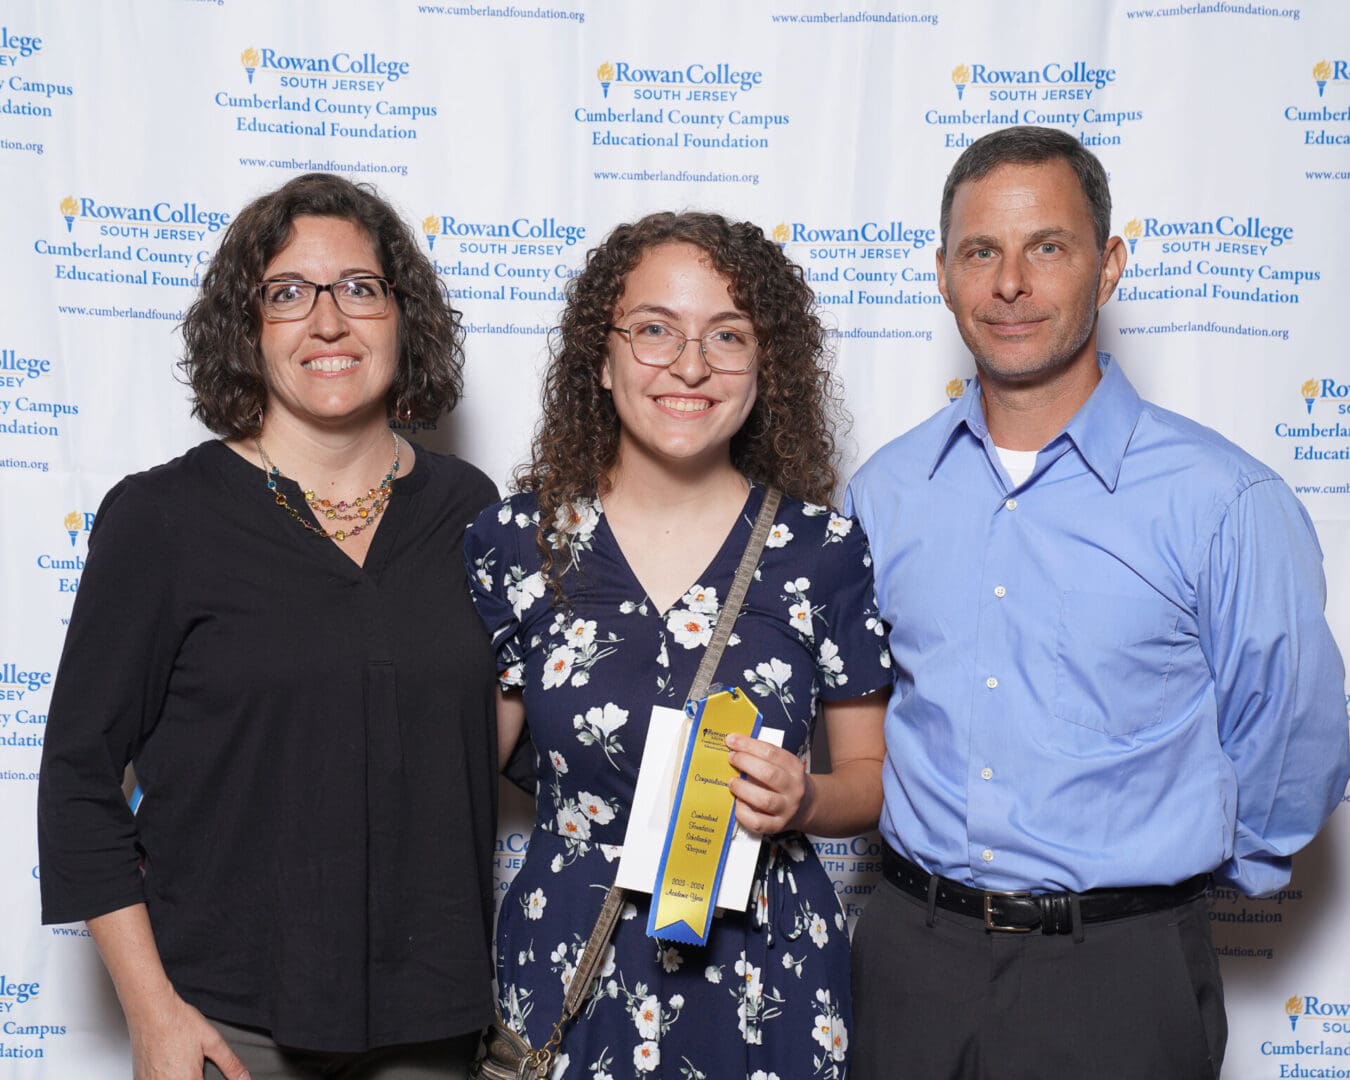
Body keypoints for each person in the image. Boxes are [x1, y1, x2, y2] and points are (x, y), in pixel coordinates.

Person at [845, 124, 1350, 1079]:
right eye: (980, 251)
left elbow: (1295, 734)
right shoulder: (886, 492)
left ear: (1108, 265)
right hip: (910, 961)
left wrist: (1164, 895)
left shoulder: (1223, 501)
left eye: (1048, 247)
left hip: (1119, 976)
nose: (1011, 283)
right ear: (944, 275)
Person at [37, 173, 500, 1079]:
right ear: (247, 328)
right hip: (226, 1028)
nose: (328, 322)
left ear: (402, 317)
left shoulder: (471, 512)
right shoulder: (162, 518)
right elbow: (77, 780)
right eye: (287, 293)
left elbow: (504, 730)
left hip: (430, 1025)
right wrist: (154, 1014)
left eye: (359, 288)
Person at [463, 211, 891, 1079]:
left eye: (727, 336)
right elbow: (453, 776)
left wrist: (804, 800)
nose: (690, 366)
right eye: (655, 329)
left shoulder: (822, 551)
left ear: (766, 365)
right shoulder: (517, 541)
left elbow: (872, 779)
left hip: (766, 969)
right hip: (566, 962)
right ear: (602, 353)